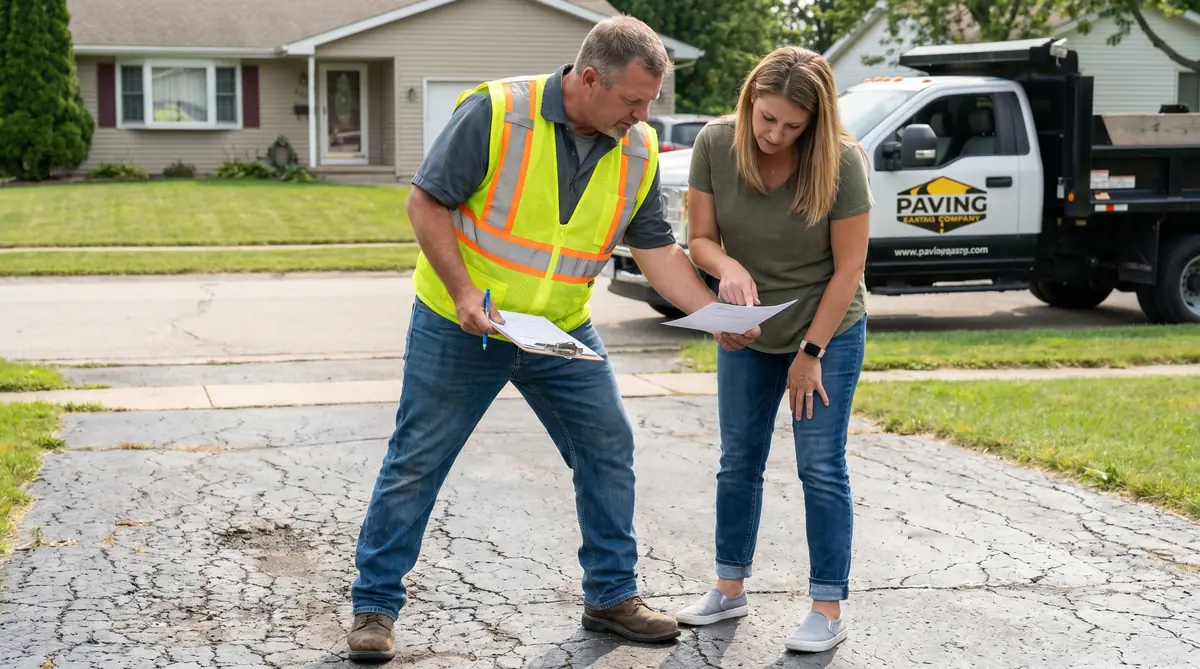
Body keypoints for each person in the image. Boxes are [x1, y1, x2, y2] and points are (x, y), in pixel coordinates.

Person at [346, 16, 760, 662]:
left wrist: (712, 315)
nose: (642, 114)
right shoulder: (498, 113)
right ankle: (374, 606)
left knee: (607, 443)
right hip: (464, 323)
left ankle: (611, 596)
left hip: (559, 327)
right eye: (632, 100)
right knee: (418, 459)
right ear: (588, 79)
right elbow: (426, 202)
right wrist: (461, 293)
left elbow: (655, 250)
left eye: (650, 101)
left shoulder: (639, 147)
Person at [672, 46, 873, 654]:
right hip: (748, 330)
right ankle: (729, 588)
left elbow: (850, 270)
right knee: (738, 460)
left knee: (820, 464)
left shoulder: (842, 161)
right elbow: (700, 239)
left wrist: (809, 352)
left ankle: (826, 606)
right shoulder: (714, 143)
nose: (774, 133)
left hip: (826, 331)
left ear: (814, 121)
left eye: (792, 125)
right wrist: (726, 268)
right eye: (766, 118)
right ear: (750, 101)